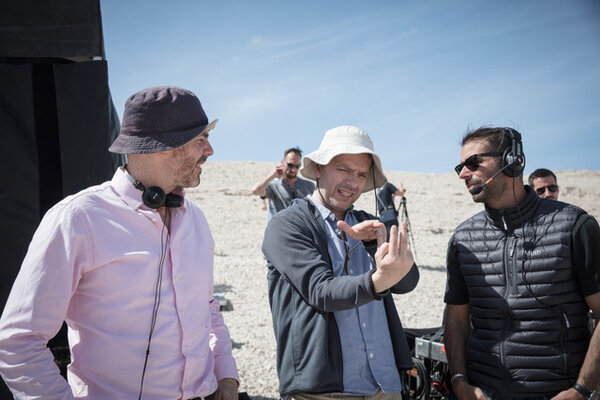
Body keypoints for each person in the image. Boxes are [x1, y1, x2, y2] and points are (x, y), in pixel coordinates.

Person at [0, 86, 239, 399]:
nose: (209, 151)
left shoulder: (195, 219)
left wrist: (226, 376)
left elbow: (208, 308)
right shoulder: (78, 218)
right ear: (163, 146)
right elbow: (18, 341)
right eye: (200, 140)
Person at [263, 125, 419, 400]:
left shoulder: (368, 222)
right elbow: (321, 291)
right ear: (319, 168)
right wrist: (379, 279)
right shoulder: (287, 224)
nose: (353, 182)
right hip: (323, 390)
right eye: (344, 169)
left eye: (361, 174)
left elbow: (408, 281)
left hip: (386, 383)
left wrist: (375, 247)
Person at [444, 127, 600, 400]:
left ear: (511, 160)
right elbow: (456, 318)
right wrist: (459, 382)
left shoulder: (575, 225)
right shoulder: (462, 239)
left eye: (472, 163)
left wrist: (581, 390)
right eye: (460, 166)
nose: (463, 174)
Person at [252, 147, 315, 218]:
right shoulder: (274, 186)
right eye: (290, 165)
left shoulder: (309, 186)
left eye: (297, 166)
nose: (293, 170)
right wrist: (273, 175)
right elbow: (256, 190)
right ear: (283, 163)